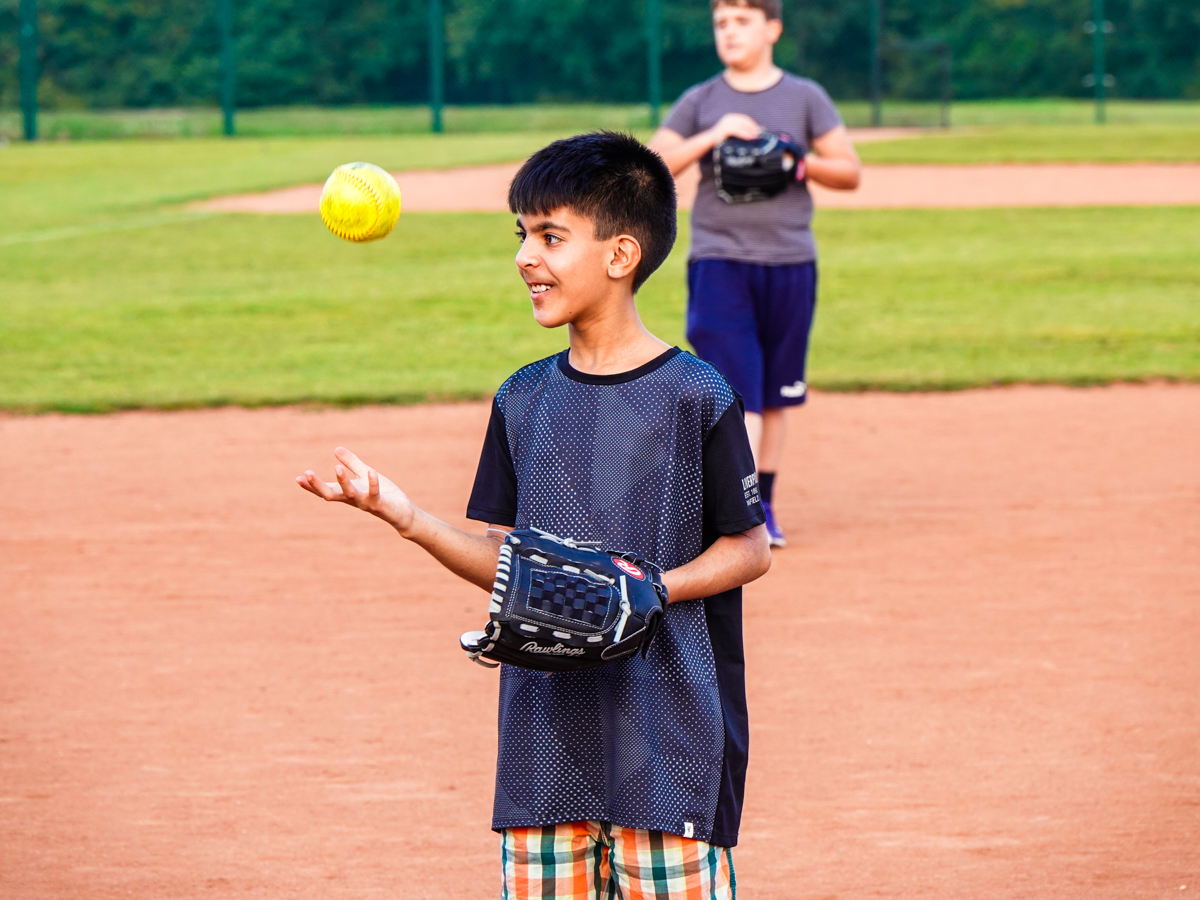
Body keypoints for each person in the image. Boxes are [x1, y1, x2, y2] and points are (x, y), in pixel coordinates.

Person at [297, 132, 771, 899]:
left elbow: (749, 548)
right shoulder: (523, 399)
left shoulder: (697, 396)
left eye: (551, 235)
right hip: (543, 748)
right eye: (522, 234)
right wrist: (406, 515)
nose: (525, 255)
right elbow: (504, 558)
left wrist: (653, 588)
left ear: (621, 256)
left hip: (670, 742)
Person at [648, 0, 862, 548]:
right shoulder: (702, 101)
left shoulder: (804, 96)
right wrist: (714, 136)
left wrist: (797, 162)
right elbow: (653, 166)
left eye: (742, 21)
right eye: (721, 23)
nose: (730, 32)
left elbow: (849, 171)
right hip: (720, 261)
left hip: (790, 262)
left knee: (773, 393)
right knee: (736, 389)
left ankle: (762, 504)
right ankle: (733, 510)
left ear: (773, 28)